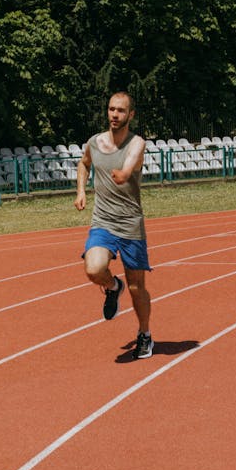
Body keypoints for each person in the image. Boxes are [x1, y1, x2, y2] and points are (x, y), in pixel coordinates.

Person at [74, 91, 153, 358]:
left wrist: (124, 173)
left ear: (131, 114)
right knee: (94, 268)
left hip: (131, 224)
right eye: (111, 110)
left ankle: (144, 334)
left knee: (136, 287)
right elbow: (84, 164)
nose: (114, 115)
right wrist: (81, 191)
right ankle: (111, 287)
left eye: (120, 111)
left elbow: (130, 165)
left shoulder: (137, 143)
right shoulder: (94, 143)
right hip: (103, 221)